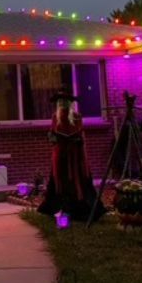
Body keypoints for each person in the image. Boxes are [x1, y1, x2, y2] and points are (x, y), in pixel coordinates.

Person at [37, 92, 98, 222]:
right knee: (60, 182)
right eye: (60, 102)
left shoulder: (76, 117)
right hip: (60, 156)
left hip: (75, 157)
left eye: (65, 102)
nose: (62, 105)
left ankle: (80, 210)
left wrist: (76, 141)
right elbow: (52, 135)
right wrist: (53, 137)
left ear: (70, 104)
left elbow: (81, 136)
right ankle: (61, 209)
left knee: (78, 182)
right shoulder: (55, 117)